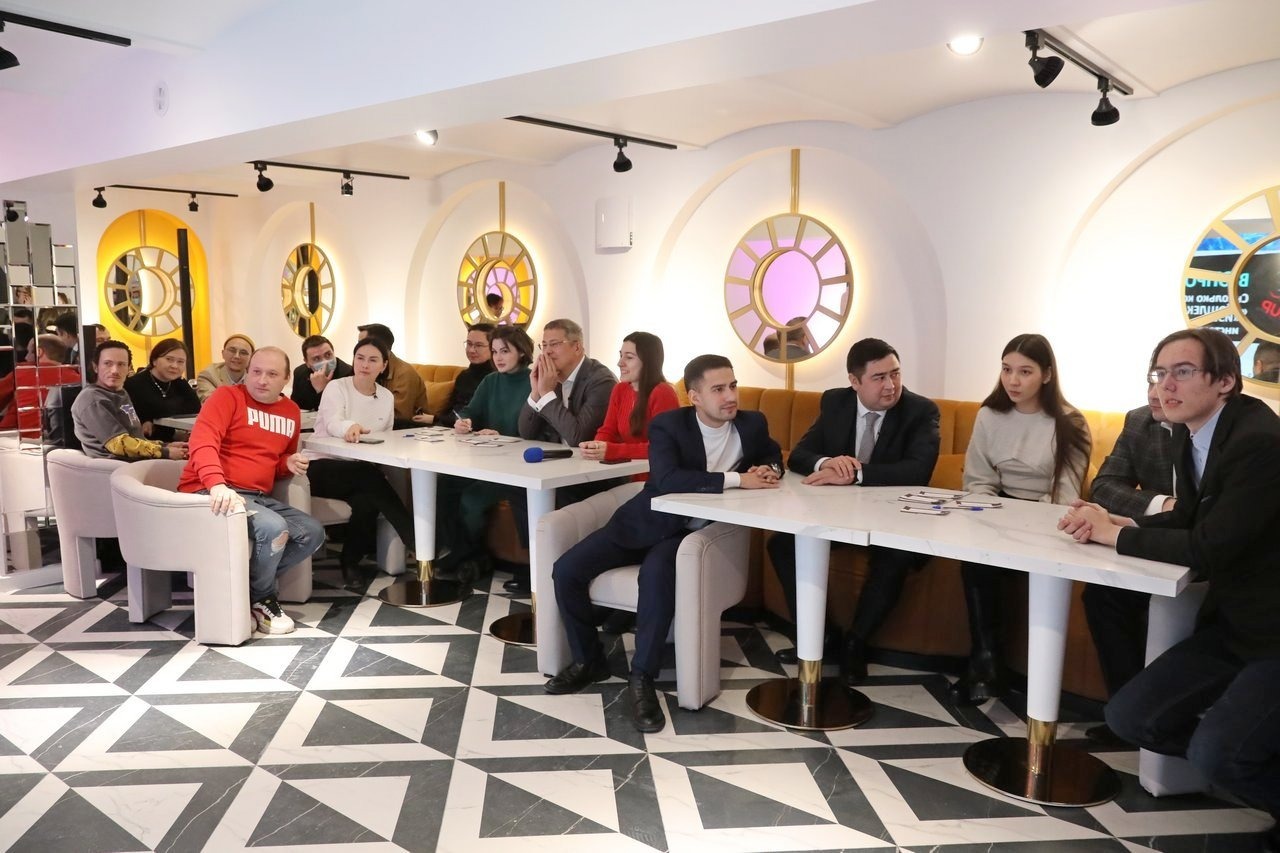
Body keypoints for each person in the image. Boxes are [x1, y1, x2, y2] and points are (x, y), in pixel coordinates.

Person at [1060, 328, 1280, 853]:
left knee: (1217, 756)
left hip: (1273, 632)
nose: (1165, 385)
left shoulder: (1259, 443)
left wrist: (1115, 537)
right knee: (1129, 717)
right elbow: (1192, 517)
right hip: (1234, 623)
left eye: (1182, 372)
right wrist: (1121, 521)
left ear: (1225, 381)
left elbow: (1208, 547)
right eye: (1160, 373)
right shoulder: (1190, 432)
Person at [545, 354, 783, 733]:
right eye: (718, 389)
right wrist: (739, 480)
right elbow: (668, 479)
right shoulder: (669, 425)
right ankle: (589, 660)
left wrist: (770, 468)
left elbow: (771, 452)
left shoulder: (752, 423)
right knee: (566, 571)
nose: (730, 396)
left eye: (733, 386)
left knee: (655, 579)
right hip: (643, 522)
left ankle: (642, 677)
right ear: (695, 397)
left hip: (687, 536)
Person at [767, 337, 941, 684]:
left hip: (894, 519)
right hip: (839, 517)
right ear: (854, 381)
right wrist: (828, 462)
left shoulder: (920, 411)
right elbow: (800, 455)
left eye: (895, 374)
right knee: (781, 545)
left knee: (895, 556)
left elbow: (918, 471)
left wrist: (855, 473)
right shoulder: (836, 402)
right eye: (879, 377)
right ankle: (822, 636)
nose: (891, 385)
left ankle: (855, 644)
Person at [949, 333, 1091, 706]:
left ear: (1047, 375)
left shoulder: (1070, 422)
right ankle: (986, 660)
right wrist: (991, 516)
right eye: (1007, 369)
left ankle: (985, 666)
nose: (1013, 380)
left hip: (1047, 518)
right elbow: (978, 480)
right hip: (995, 511)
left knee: (1008, 564)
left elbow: (1065, 493)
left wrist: (1020, 522)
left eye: (1025, 372)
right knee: (974, 560)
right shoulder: (989, 415)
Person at [178, 347, 325, 635]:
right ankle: (263, 598)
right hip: (207, 490)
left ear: (286, 379)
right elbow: (202, 442)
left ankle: (243, 591)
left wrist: (287, 463)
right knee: (273, 527)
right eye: (256, 372)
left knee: (311, 532)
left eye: (272, 374)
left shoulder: (290, 411)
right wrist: (216, 484)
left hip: (255, 496)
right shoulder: (226, 397)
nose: (262, 380)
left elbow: (275, 460)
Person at [1078, 380, 1174, 744]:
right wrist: (1164, 505)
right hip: (1152, 541)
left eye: (1172, 379)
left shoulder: (1225, 433)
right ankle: (1125, 713)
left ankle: (1166, 722)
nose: (1155, 393)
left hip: (1210, 553)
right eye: (1152, 380)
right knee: (1102, 595)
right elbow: (1104, 487)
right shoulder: (1140, 421)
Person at [309, 337, 416, 586]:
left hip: (360, 472)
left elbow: (386, 437)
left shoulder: (386, 397)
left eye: (373, 360)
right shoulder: (336, 387)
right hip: (321, 466)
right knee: (368, 476)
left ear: (384, 365)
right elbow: (333, 422)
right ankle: (413, 538)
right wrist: (349, 427)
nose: (365, 365)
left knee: (367, 499)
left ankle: (350, 562)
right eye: (360, 358)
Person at [435, 326, 535, 580]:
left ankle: (467, 556)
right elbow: (470, 411)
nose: (498, 357)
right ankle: (470, 554)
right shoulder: (490, 381)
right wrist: (463, 422)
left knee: (472, 500)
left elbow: (535, 430)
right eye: (495, 351)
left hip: (515, 467)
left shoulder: (533, 382)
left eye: (505, 351)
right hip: (486, 460)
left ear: (522, 352)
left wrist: (502, 436)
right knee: (443, 484)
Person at [71, 340, 188, 461]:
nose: (115, 370)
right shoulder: (92, 398)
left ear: (129, 368)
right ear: (96, 367)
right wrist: (165, 452)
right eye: (108, 364)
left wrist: (165, 445)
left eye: (121, 364)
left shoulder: (121, 393)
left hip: (139, 461)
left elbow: (136, 439)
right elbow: (118, 444)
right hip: (118, 466)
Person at [579, 331, 679, 466]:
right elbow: (608, 430)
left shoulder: (663, 393)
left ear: (648, 361)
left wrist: (611, 451)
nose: (620, 363)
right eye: (621, 356)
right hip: (624, 470)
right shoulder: (620, 389)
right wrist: (595, 447)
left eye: (629, 357)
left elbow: (663, 446)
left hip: (654, 473)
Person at [517, 318, 616, 447]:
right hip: (558, 456)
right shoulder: (550, 378)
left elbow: (579, 438)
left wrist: (546, 394)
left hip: (589, 458)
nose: (547, 351)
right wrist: (536, 393)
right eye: (544, 345)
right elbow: (527, 433)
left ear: (577, 347)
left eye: (554, 344)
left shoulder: (601, 381)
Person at [0, 334, 81, 438]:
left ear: (39, 352)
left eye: (29, 352)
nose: (26, 357)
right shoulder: (77, 378)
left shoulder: (23, 371)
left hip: (16, 437)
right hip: (59, 438)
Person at [123, 339, 201, 442]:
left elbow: (196, 408)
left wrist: (153, 416)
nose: (174, 366)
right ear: (154, 360)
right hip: (145, 443)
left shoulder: (179, 382)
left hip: (173, 441)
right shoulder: (134, 384)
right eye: (169, 359)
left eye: (180, 362)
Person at [356, 323, 428, 426]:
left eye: (362, 343)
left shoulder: (404, 374)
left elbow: (399, 416)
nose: (358, 347)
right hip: (375, 425)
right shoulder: (366, 367)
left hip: (406, 429)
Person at [434, 323, 494, 427]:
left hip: (473, 430)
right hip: (450, 427)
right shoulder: (464, 375)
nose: (471, 350)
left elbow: (480, 416)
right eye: (469, 344)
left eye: (479, 345)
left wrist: (434, 419)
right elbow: (450, 409)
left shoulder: (496, 378)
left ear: (493, 347)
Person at [290, 334, 353, 412]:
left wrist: (322, 390)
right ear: (307, 362)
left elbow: (341, 411)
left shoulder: (349, 373)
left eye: (328, 355)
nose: (325, 362)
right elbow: (296, 407)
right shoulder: (300, 373)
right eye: (316, 359)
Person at [196, 334, 254, 402]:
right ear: (223, 353)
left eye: (243, 353)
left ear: (251, 358)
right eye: (232, 351)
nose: (237, 356)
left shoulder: (257, 377)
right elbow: (213, 404)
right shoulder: (208, 375)